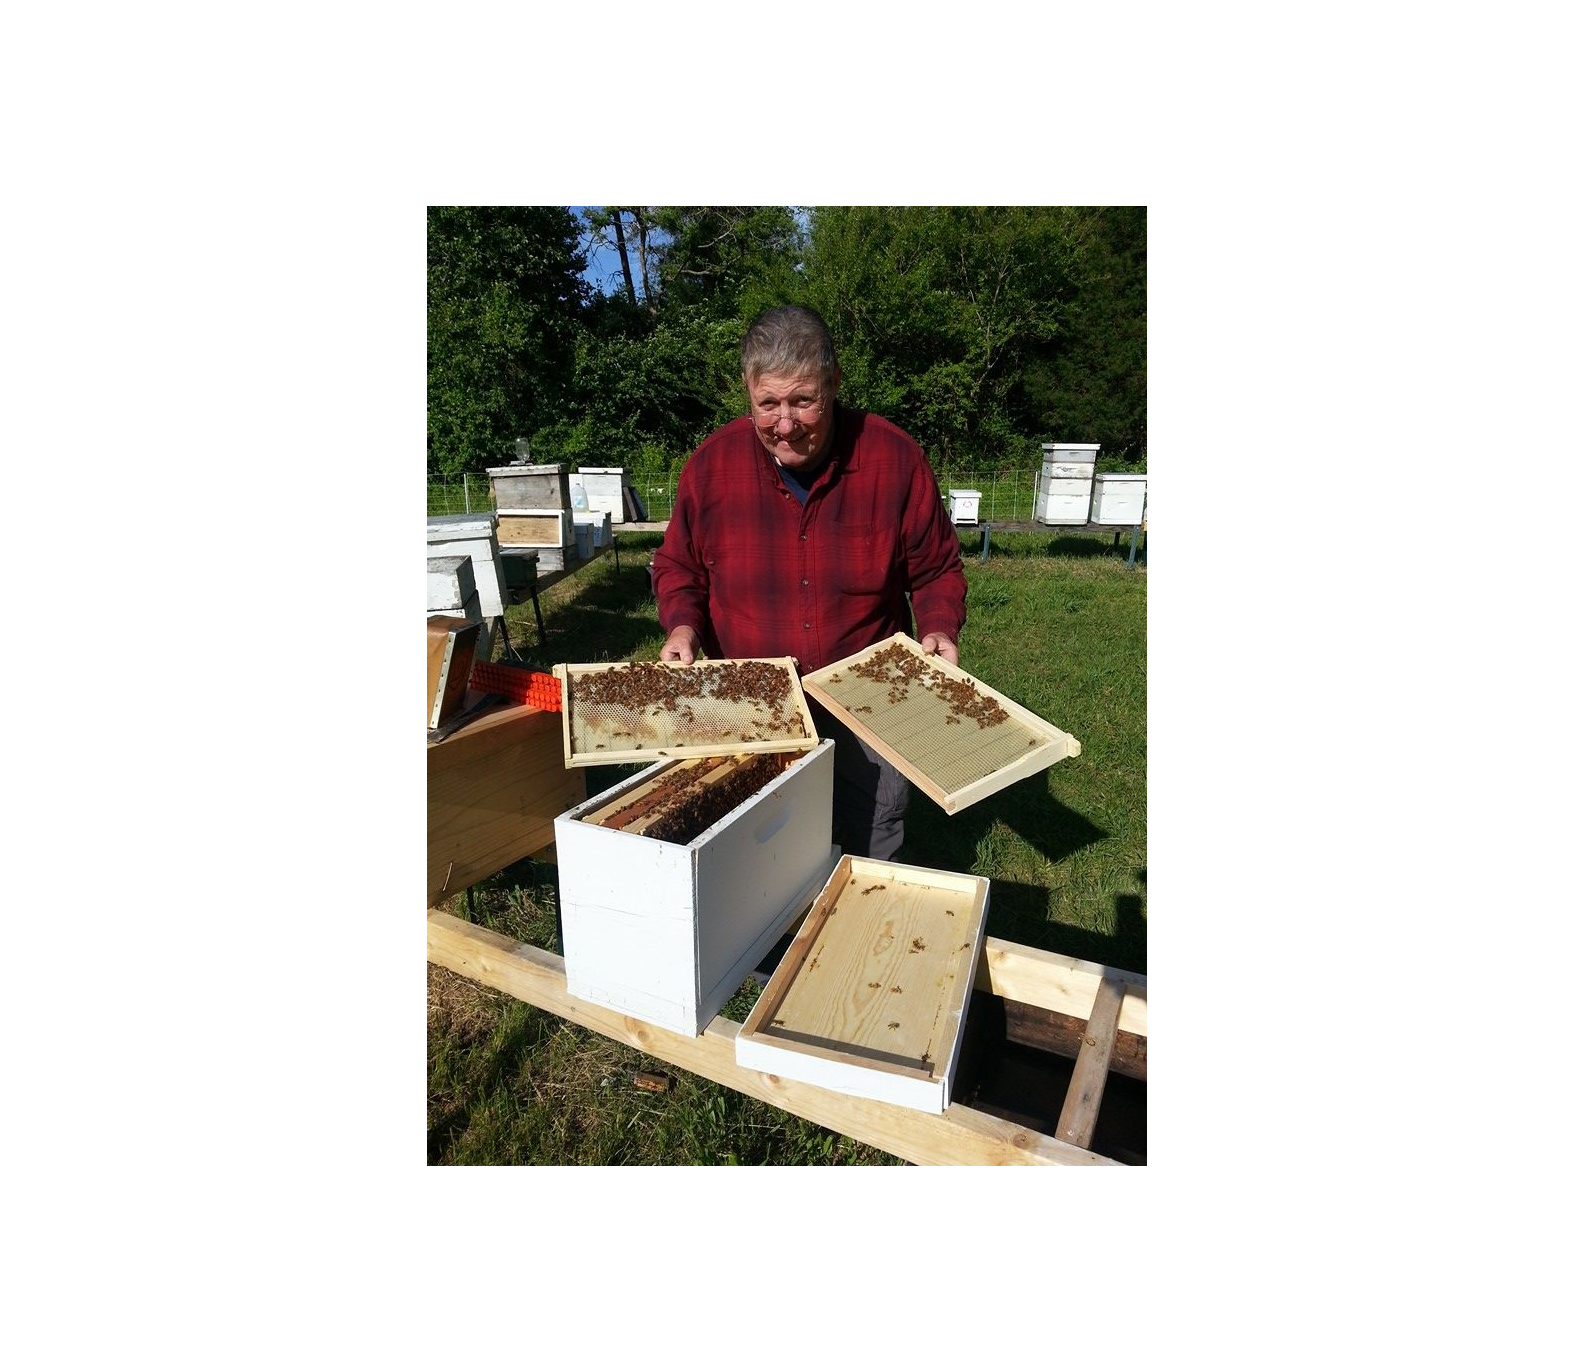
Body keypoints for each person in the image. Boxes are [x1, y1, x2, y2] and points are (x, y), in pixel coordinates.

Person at [651, 304, 968, 862]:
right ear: (748, 393)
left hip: (869, 696)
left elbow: (936, 566)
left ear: (834, 384)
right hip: (753, 698)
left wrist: (939, 625)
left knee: (873, 833)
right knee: (754, 843)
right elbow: (680, 565)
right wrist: (682, 627)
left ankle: (861, 938)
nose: (785, 424)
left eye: (803, 401)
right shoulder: (711, 466)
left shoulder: (895, 459)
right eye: (768, 404)